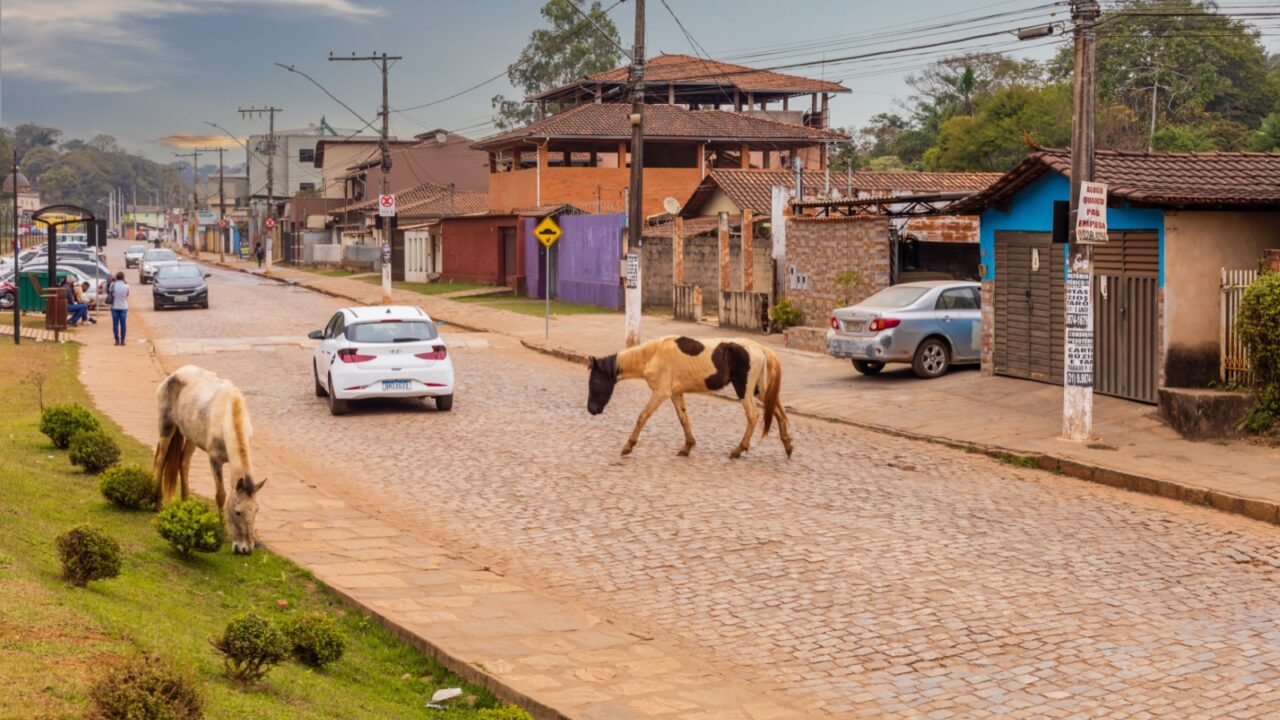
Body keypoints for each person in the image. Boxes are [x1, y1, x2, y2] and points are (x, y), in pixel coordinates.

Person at [109, 271, 130, 346]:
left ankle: (116, 340)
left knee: (115, 324)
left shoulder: (113, 285)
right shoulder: (127, 286)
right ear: (123, 277)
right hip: (124, 307)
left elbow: (110, 292)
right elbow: (127, 295)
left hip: (114, 306)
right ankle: (123, 340)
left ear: (116, 277)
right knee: (123, 324)